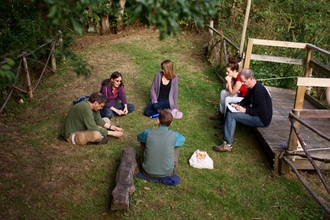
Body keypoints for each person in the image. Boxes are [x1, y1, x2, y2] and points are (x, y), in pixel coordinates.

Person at [213, 68, 272, 152]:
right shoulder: (252, 87)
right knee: (230, 108)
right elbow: (246, 100)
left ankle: (228, 145)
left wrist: (245, 110)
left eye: (244, 81)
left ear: (251, 78)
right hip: (255, 113)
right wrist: (238, 105)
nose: (242, 84)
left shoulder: (259, 91)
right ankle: (225, 133)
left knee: (231, 115)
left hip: (262, 119)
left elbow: (262, 111)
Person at [136, 109, 185, 185]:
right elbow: (183, 139)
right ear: (171, 123)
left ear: (158, 121)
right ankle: (171, 166)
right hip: (167, 173)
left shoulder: (147, 132)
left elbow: (139, 137)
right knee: (176, 144)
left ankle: (147, 161)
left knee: (144, 140)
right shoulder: (174, 135)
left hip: (147, 172)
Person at [209, 57, 248, 129]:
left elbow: (231, 94)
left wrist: (229, 82)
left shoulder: (239, 80)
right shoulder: (234, 76)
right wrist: (228, 81)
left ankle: (225, 120)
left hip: (244, 99)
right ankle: (221, 113)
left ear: (234, 71)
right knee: (223, 92)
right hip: (239, 94)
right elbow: (227, 89)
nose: (226, 73)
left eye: (228, 71)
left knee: (228, 98)